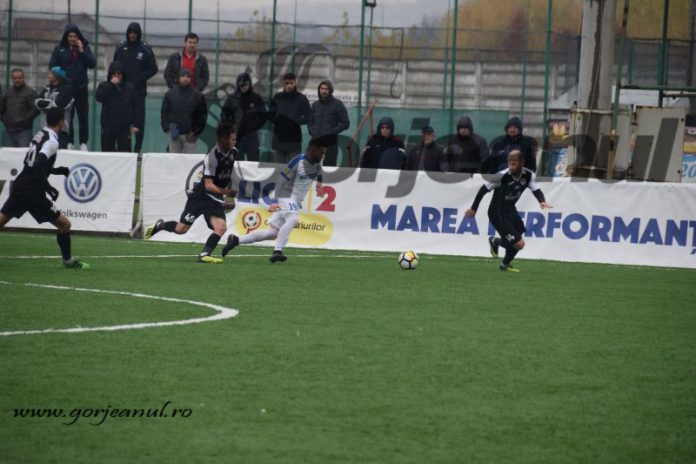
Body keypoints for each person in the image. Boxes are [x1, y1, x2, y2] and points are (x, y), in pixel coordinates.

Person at [0, 107, 89, 269]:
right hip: (33, 191)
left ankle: (68, 261)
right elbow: (38, 164)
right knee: (65, 225)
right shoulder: (53, 141)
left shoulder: (40, 133)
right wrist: (48, 187)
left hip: (21, 183)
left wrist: (56, 170)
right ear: (61, 121)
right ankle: (68, 261)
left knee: (2, 219)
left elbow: (34, 163)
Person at [221, 137, 328, 263]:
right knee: (293, 219)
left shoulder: (318, 160)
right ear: (312, 150)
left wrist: (319, 184)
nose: (323, 155)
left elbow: (319, 169)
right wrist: (276, 200)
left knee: (272, 233)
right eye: (321, 153)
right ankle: (278, 251)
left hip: (295, 200)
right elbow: (281, 178)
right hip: (286, 195)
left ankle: (235, 240)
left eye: (324, 153)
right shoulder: (298, 161)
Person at [143, 123, 239, 264]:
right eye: (232, 139)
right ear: (223, 139)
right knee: (181, 229)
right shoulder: (212, 157)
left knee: (221, 227)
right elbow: (208, 185)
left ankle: (204, 254)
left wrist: (229, 195)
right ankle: (160, 225)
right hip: (201, 196)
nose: (235, 142)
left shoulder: (234, 152)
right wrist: (226, 193)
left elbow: (228, 175)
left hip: (215, 197)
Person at [465, 150, 551, 272]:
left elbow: (536, 190)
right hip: (497, 213)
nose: (511, 167)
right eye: (509, 163)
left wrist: (542, 201)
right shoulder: (501, 176)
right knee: (519, 244)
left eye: (514, 164)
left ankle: (500, 255)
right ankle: (502, 259)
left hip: (510, 210)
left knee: (519, 234)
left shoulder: (529, 175)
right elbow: (483, 190)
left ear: (522, 163)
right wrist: (473, 209)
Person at [49, 24, 96, 151]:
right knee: (68, 116)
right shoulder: (59, 49)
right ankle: (69, 141)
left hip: (81, 88)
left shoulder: (84, 47)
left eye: (75, 36)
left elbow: (92, 63)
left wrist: (81, 51)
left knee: (83, 116)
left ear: (78, 37)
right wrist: (64, 79)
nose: (72, 38)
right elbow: (53, 67)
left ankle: (83, 143)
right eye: (70, 36)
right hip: (66, 89)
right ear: (66, 36)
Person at [113, 22, 158, 153]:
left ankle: (137, 149)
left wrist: (141, 77)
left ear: (138, 34)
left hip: (139, 93)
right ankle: (123, 149)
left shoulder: (145, 49)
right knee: (122, 121)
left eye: (134, 33)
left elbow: (154, 68)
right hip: (122, 93)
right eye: (130, 32)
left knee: (139, 123)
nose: (132, 35)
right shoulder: (121, 49)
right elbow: (114, 67)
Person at [220, 73, 267, 161]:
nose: (244, 87)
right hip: (237, 136)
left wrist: (254, 126)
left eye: (246, 84)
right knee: (236, 162)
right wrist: (231, 128)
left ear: (250, 84)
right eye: (241, 85)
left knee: (253, 162)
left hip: (252, 135)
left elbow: (263, 116)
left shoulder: (256, 98)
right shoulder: (232, 98)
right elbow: (224, 115)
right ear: (238, 85)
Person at [160, 69, 208, 154]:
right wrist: (167, 129)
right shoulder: (170, 94)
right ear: (178, 78)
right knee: (174, 159)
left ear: (191, 79)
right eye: (183, 76)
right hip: (174, 133)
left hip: (190, 135)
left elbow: (202, 115)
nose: (185, 78)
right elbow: (164, 112)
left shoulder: (197, 95)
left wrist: (195, 131)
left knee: (189, 160)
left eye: (188, 77)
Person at [268, 72, 311, 164]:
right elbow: (270, 115)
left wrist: (296, 122)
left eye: (291, 83)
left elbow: (308, 115)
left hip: (294, 140)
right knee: (278, 167)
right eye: (287, 83)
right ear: (284, 84)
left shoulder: (301, 98)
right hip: (279, 138)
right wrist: (279, 121)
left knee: (293, 168)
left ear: (295, 83)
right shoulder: (277, 97)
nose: (289, 86)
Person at [95, 61, 138, 152]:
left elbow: (135, 106)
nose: (117, 76)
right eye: (114, 74)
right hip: (108, 126)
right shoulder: (104, 85)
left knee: (125, 153)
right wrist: (110, 85)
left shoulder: (129, 88)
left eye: (119, 73)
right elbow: (99, 97)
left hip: (124, 127)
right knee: (107, 152)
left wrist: (135, 124)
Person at [308, 80, 349, 166]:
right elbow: (310, 122)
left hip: (330, 144)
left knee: (328, 169)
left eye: (326, 89)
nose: (324, 91)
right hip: (315, 143)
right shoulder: (315, 104)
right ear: (319, 90)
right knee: (311, 168)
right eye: (322, 88)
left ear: (330, 90)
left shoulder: (337, 104)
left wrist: (332, 131)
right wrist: (312, 131)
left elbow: (346, 123)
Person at [35, 67, 73, 149]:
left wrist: (45, 104)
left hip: (60, 130)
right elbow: (37, 102)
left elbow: (59, 105)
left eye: (50, 74)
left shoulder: (67, 89)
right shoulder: (47, 88)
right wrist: (51, 103)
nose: (48, 76)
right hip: (46, 128)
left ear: (57, 76)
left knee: (60, 153)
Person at [1, 68, 39, 148]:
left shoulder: (30, 92)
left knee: (22, 153)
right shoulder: (8, 92)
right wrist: (5, 120)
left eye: (19, 78)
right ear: (12, 79)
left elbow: (36, 108)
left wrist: (25, 120)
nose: (17, 80)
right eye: (15, 78)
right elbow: (3, 108)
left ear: (23, 78)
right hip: (10, 130)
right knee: (9, 154)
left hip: (24, 130)